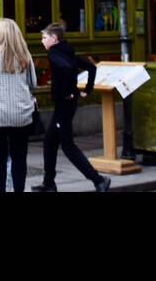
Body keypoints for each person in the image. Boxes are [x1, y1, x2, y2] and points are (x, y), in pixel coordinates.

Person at [34, 23, 110, 193]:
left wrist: (69, 91)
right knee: (49, 142)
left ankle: (99, 180)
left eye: (44, 38)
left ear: (54, 39)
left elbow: (66, 69)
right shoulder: (67, 51)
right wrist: (87, 90)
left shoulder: (54, 54)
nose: (42, 41)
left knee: (68, 146)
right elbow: (91, 67)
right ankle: (49, 184)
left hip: (64, 105)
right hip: (67, 104)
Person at [0, 18, 36, 193]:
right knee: (19, 157)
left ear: (2, 33)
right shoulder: (24, 54)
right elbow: (33, 83)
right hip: (21, 114)